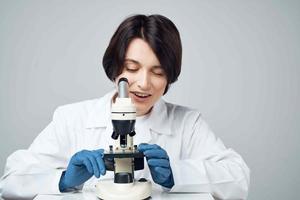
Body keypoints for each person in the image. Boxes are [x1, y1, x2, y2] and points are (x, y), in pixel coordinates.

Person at [0, 14, 250, 199]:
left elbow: (238, 178)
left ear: (169, 76)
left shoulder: (187, 123)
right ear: (114, 68)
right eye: (132, 69)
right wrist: (63, 180)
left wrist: (177, 174)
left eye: (158, 72)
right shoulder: (71, 118)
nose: (143, 84)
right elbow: (11, 181)